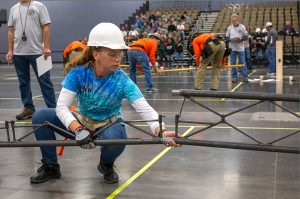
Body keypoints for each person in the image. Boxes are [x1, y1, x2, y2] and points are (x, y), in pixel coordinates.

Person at [29, 22, 179, 184]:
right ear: (96, 54)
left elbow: (145, 109)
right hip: (82, 121)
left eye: (119, 54)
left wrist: (161, 131)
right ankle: (51, 166)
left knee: (118, 139)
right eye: (112, 54)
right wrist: (78, 129)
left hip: (108, 123)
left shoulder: (122, 80)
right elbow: (61, 107)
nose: (117, 59)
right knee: (40, 116)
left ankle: (106, 164)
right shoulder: (78, 74)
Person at [5, 0, 56, 120]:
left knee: (45, 81)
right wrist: (10, 50)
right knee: (23, 83)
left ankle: (53, 108)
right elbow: (11, 31)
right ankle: (28, 108)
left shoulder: (39, 6)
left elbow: (46, 28)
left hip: (39, 52)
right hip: (18, 53)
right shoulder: (13, 9)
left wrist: (47, 47)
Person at [225, 14, 249, 82]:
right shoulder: (229, 28)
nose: (233, 22)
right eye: (232, 21)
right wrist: (231, 40)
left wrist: (240, 39)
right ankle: (234, 78)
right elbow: (226, 38)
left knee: (242, 62)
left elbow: (246, 37)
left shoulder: (242, 27)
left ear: (238, 20)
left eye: (234, 21)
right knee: (233, 63)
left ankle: (245, 77)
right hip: (232, 48)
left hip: (240, 48)